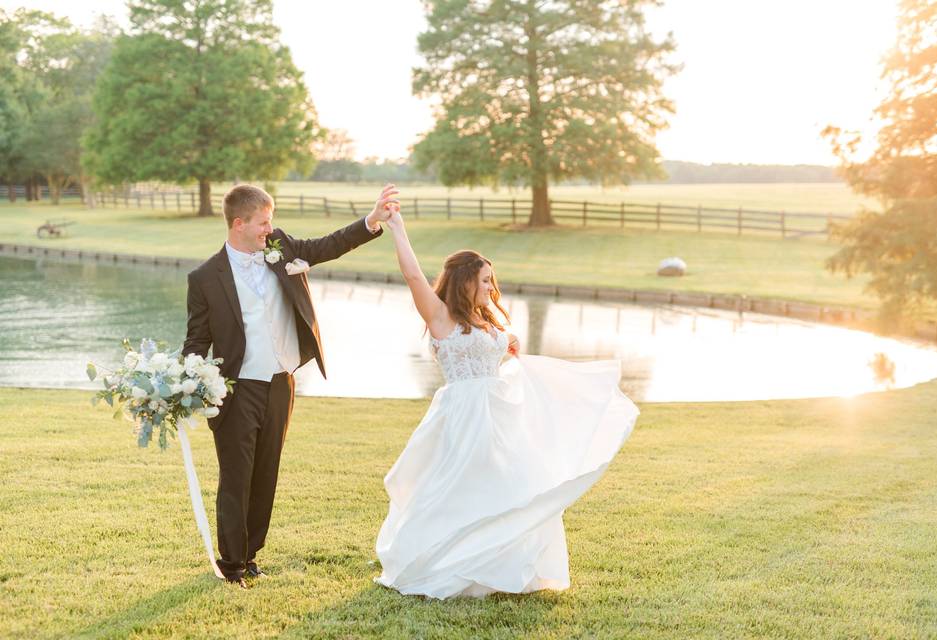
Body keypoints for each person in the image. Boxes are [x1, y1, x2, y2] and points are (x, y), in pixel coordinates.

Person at [374, 194, 640, 599]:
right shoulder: (441, 316)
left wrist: (506, 343)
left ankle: (505, 565)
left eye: (490, 280)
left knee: (512, 484)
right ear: (464, 281)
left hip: (500, 412)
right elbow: (413, 276)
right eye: (484, 280)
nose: (491, 287)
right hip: (464, 413)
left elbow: (492, 349)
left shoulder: (485, 319)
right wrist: (398, 229)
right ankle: (447, 563)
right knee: (462, 485)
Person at [182, 183, 395, 588]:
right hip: (236, 389)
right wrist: (179, 384)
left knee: (266, 472)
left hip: (281, 383)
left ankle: (251, 555)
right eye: (263, 222)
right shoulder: (205, 278)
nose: (270, 228)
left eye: (271, 220)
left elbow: (325, 246)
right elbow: (196, 341)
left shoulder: (279, 246)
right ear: (239, 223)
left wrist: (370, 222)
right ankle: (232, 566)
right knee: (236, 476)